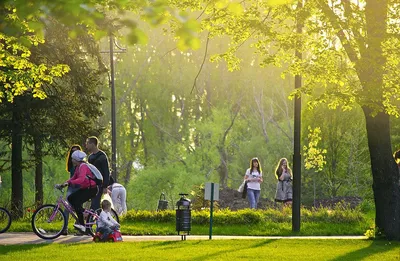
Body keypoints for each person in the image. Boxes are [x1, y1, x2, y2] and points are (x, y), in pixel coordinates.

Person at [60, 150, 98, 234]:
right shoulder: (78, 166)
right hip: (86, 188)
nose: (71, 160)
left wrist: (70, 182)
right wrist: (66, 183)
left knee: (76, 202)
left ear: (76, 159)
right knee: (71, 198)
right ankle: (83, 221)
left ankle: (83, 220)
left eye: (73, 159)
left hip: (92, 189)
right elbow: (74, 177)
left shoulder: (83, 166)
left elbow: (81, 179)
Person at [61, 144, 82, 235]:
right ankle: (64, 228)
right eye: (73, 151)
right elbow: (72, 176)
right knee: (67, 208)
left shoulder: (81, 164)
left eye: (76, 151)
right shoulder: (71, 165)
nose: (74, 153)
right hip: (71, 187)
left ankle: (80, 226)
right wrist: (67, 183)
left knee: (78, 208)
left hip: (79, 187)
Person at [85, 136, 110, 211]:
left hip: (100, 184)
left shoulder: (102, 156)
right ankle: (97, 220)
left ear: (92, 144)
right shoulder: (90, 157)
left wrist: (105, 186)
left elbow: (106, 171)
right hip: (91, 184)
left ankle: (92, 221)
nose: (86, 146)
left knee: (95, 203)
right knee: (93, 204)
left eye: (87, 144)